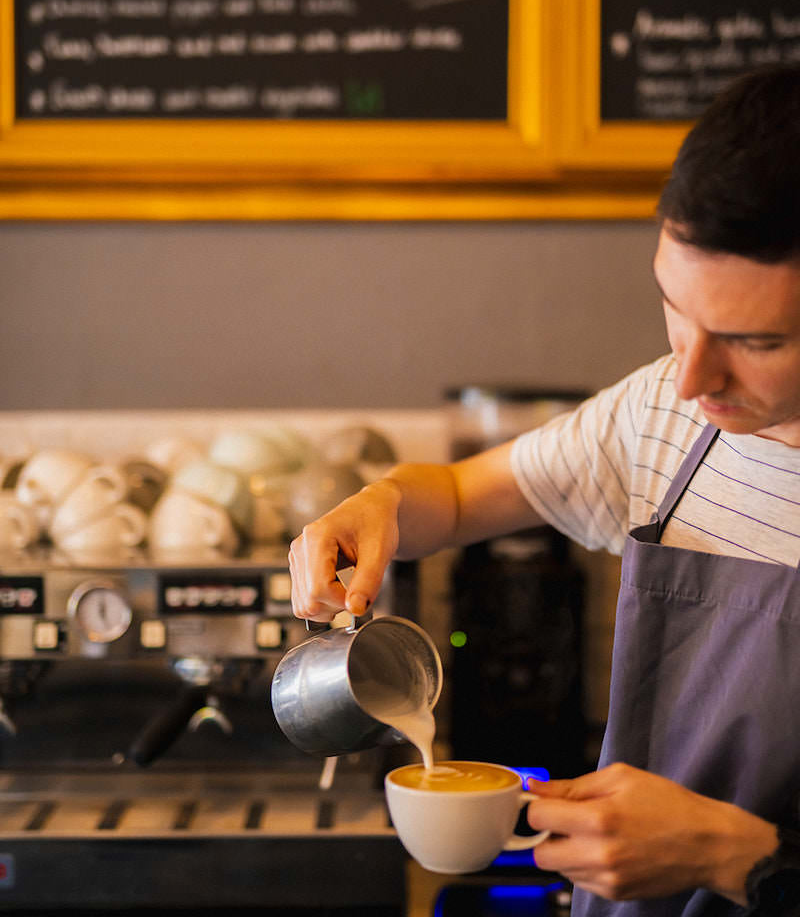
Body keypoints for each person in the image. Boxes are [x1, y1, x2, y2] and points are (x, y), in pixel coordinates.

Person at [288, 63, 800, 917]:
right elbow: (455, 495)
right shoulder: (662, 420)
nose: (691, 377)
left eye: (755, 340)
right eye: (676, 307)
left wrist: (734, 855)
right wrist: (379, 505)